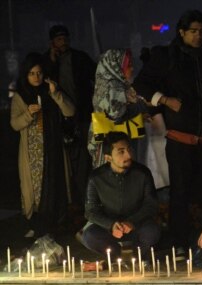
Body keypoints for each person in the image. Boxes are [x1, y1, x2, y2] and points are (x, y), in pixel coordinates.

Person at [133, 10, 202, 254]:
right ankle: (180, 242)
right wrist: (165, 100)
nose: (198, 36)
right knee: (181, 191)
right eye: (193, 31)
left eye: (201, 31)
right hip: (181, 137)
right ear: (181, 32)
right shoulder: (167, 55)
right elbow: (141, 84)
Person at [11, 53, 75, 239]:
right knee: (35, 190)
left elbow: (70, 111)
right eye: (32, 73)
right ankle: (36, 225)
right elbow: (15, 124)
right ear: (26, 75)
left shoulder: (51, 90)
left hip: (53, 148)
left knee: (55, 184)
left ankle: (56, 225)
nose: (36, 77)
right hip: (32, 153)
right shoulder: (20, 96)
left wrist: (56, 94)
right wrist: (28, 114)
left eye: (39, 73)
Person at [82, 132, 160, 263]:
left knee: (152, 232)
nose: (128, 155)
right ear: (108, 157)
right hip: (110, 229)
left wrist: (132, 222)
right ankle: (118, 257)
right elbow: (90, 211)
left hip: (136, 225)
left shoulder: (142, 173)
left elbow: (151, 205)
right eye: (121, 152)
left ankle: (135, 256)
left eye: (129, 149)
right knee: (89, 236)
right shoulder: (96, 178)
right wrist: (111, 225)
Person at [42, 24, 96, 205]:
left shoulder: (80, 58)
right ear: (52, 42)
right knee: (62, 164)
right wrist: (51, 60)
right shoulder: (47, 61)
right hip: (57, 120)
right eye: (59, 39)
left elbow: (94, 78)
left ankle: (84, 204)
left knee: (82, 162)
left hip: (80, 117)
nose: (63, 42)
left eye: (65, 38)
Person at [90, 48, 147, 168]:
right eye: (128, 65)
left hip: (118, 145)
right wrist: (136, 104)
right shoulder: (112, 87)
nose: (132, 69)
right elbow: (115, 116)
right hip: (112, 146)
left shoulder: (115, 84)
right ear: (116, 67)